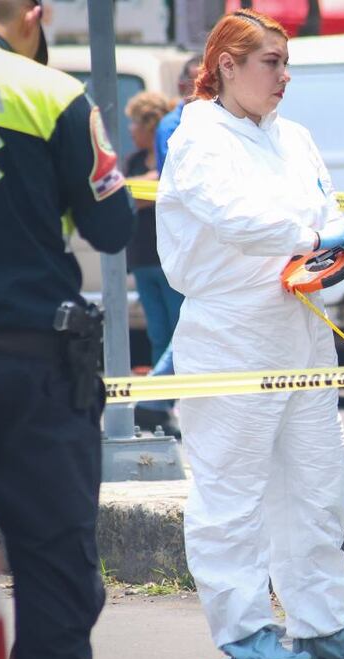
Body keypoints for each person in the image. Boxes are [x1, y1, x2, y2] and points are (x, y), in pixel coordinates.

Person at [156, 9, 344, 659]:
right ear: (226, 66)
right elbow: (235, 218)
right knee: (230, 495)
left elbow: (326, 206)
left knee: (318, 485)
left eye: (287, 63)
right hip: (229, 329)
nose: (283, 77)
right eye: (271, 63)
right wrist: (312, 239)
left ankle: (322, 626)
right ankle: (245, 637)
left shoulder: (292, 136)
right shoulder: (197, 135)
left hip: (298, 324)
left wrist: (333, 254)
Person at [0, 1, 135, 659]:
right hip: (34, 375)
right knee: (54, 577)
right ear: (35, 14)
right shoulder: (51, 94)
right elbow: (112, 228)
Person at [123, 90, 184, 435]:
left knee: (182, 332)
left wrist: (138, 189)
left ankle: (157, 402)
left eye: (135, 122)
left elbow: (158, 191)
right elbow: (127, 195)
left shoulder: (170, 157)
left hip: (168, 260)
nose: (131, 129)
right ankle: (163, 407)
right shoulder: (133, 162)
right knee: (159, 334)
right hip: (142, 259)